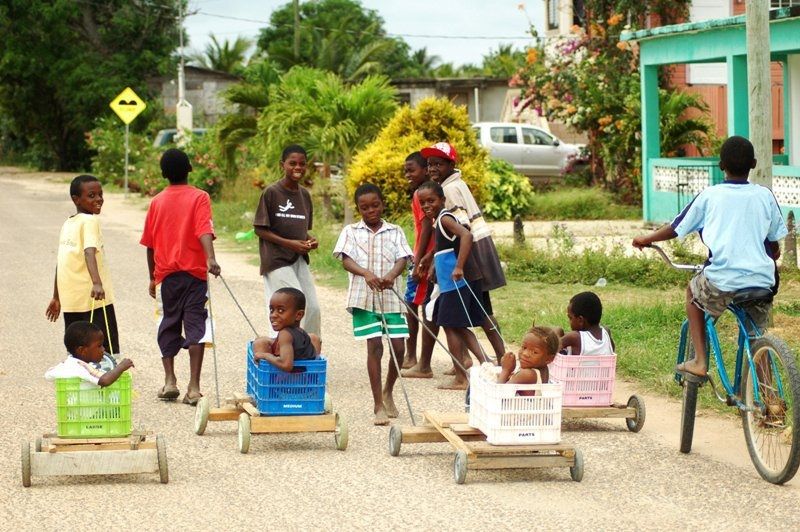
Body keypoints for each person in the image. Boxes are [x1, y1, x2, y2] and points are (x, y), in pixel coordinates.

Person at [633, 135, 787, 379]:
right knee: (756, 336)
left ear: (721, 165)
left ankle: (700, 361)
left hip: (722, 279)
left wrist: (646, 239)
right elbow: (774, 242)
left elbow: (676, 226)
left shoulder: (710, 196)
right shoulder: (764, 195)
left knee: (693, 293)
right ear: (754, 164)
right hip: (761, 281)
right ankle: (769, 399)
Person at [140, 148, 221, 405]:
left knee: (168, 324)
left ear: (163, 174)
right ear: (190, 169)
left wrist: (153, 277)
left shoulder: (156, 202)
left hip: (166, 276)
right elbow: (203, 230)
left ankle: (169, 381)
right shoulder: (200, 197)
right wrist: (210, 258)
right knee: (196, 326)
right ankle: (194, 388)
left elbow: (150, 245)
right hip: (195, 275)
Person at [415, 142, 507, 364]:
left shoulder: (448, 190)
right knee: (480, 311)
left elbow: (461, 231)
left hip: (469, 258)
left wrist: (448, 264)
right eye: (430, 164)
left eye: (438, 163)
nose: (433, 169)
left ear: (451, 164)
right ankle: (498, 357)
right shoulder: (456, 183)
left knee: (465, 315)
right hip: (476, 253)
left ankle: (484, 360)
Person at [333, 183, 413, 425]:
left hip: (391, 298)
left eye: (375, 205)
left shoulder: (395, 231)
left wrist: (391, 275)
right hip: (363, 299)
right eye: (364, 207)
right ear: (358, 208)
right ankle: (378, 404)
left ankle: (389, 390)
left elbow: (403, 258)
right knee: (375, 346)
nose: (371, 211)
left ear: (382, 204)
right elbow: (345, 260)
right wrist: (365, 273)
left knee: (399, 349)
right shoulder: (351, 231)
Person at [417, 180, 490, 390]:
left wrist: (459, 267)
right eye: (422, 202)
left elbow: (466, 235)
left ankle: (461, 377)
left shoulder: (445, 218)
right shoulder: (438, 221)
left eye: (431, 200)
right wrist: (430, 260)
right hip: (449, 284)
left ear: (442, 199)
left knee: (450, 326)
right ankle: (487, 364)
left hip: (455, 283)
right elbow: (445, 246)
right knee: (457, 326)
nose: (426, 205)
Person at [46, 175, 120, 355]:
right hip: (93, 298)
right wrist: (97, 282)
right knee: (103, 346)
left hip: (71, 299)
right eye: (92, 195)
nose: (99, 199)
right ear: (76, 199)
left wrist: (57, 296)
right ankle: (104, 378)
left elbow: (62, 261)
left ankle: (80, 377)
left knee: (77, 348)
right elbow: (89, 251)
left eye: (100, 194)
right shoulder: (90, 221)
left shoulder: (69, 223)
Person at [253, 144, 321, 338]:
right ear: (282, 165)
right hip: (276, 260)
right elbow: (260, 228)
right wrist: (291, 244)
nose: (297, 167)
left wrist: (310, 241)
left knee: (312, 307)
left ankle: (309, 352)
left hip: (298, 259)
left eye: (302, 164)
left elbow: (302, 230)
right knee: (289, 306)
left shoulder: (305, 195)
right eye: (292, 163)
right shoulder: (272, 193)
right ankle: (282, 350)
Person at [401, 151, 440, 377]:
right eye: (405, 170)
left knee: (415, 305)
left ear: (425, 170)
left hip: (424, 259)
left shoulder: (421, 194)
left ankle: (414, 357)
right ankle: (414, 356)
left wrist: (419, 262)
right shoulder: (427, 192)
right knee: (427, 305)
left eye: (411, 170)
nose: (407, 174)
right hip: (425, 255)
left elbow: (426, 228)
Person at [252, 287, 322, 372]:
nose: (273, 315)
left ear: (299, 315)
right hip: (306, 378)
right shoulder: (300, 332)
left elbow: (286, 365)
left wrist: (265, 355)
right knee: (314, 337)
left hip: (283, 380)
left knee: (259, 342)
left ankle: (265, 372)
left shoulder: (285, 334)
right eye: (271, 310)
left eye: (281, 310)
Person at [45, 321, 133, 388]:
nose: (103, 349)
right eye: (99, 346)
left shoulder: (72, 363)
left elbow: (48, 375)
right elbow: (104, 381)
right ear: (82, 350)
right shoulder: (79, 367)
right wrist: (121, 367)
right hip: (86, 411)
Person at [497, 325, 560, 395]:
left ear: (549, 359)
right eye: (524, 347)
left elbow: (498, 394)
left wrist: (505, 370)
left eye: (534, 352)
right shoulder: (543, 368)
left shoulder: (527, 374)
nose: (525, 354)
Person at [560, 291, 616, 356]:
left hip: (575, 366)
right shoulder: (606, 331)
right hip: (605, 366)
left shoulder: (574, 337)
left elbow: (550, 347)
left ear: (580, 320)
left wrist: (558, 331)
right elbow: (612, 349)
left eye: (570, 318)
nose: (569, 321)